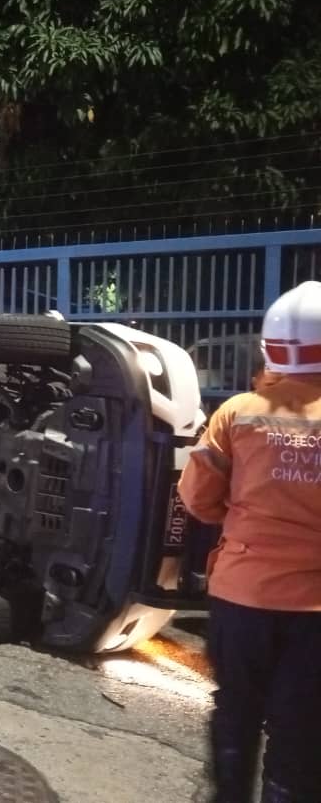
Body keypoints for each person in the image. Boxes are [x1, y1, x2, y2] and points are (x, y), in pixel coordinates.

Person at [178, 280, 321, 803]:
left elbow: (196, 499)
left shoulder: (237, 412)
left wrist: (240, 519)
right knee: (302, 723)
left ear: (270, 348)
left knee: (236, 709)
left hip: (243, 595)